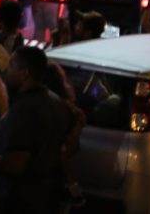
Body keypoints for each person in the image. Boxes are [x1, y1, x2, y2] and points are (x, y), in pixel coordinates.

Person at [0, 46, 74, 213]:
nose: (7, 70)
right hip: (47, 198)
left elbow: (14, 164)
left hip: (20, 200)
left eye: (12, 65)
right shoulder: (58, 103)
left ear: (25, 73)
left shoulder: (26, 109)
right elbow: (69, 150)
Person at [43, 62, 87, 208]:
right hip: (58, 173)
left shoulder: (54, 107)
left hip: (50, 173)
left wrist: (70, 182)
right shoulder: (69, 107)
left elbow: (60, 149)